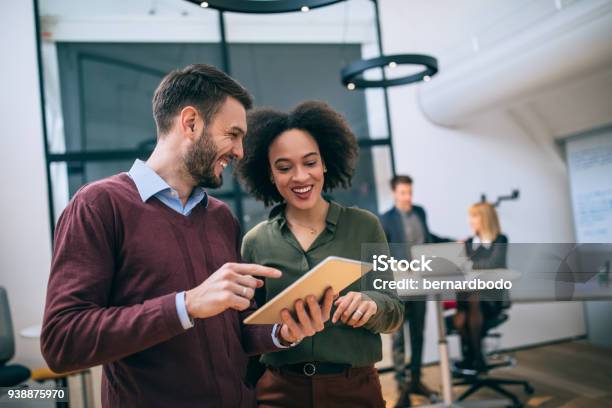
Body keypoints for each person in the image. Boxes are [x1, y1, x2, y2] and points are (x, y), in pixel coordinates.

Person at [41, 64, 332, 408]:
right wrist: (186, 304)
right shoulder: (99, 205)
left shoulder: (220, 217)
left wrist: (281, 332)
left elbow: (236, 327)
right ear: (191, 122)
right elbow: (62, 341)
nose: (240, 151)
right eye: (233, 134)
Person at [237, 101, 404, 408]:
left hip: (354, 390)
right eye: (284, 168)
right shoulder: (255, 242)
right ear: (270, 175)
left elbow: (394, 311)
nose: (300, 177)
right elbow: (245, 331)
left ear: (325, 162)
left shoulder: (365, 226)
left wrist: (372, 304)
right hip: (279, 391)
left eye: (310, 163)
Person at [379, 175, 449, 407]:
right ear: (394, 193)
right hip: (399, 285)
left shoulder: (420, 212)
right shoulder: (386, 219)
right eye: (403, 193)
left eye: (410, 192)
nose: (408, 197)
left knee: (418, 333)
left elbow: (428, 239)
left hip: (421, 281)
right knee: (398, 337)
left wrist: (452, 242)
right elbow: (381, 251)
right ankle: (402, 387)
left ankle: (416, 380)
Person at [454, 202, 509, 372]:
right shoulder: (469, 242)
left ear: (485, 218)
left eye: (474, 216)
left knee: (473, 300)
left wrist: (467, 261)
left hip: (491, 298)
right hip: (468, 297)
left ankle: (477, 359)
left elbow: (494, 263)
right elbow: (459, 266)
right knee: (460, 319)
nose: (470, 221)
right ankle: (472, 358)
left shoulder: (500, 239)